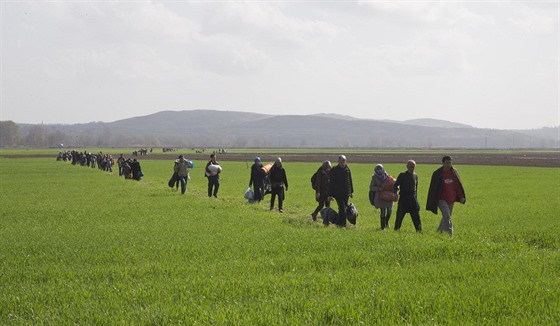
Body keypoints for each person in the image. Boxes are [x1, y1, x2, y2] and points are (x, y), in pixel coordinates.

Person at [426, 155, 466, 236]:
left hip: (451, 199)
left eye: (450, 163)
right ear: (443, 163)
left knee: (446, 217)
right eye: (447, 163)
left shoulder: (454, 172)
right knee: (447, 216)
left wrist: (461, 196)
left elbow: (458, 185)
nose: (449, 164)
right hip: (441, 199)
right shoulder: (437, 173)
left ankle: (438, 232)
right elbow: (433, 188)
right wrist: (433, 200)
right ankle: (449, 234)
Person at [393, 160, 422, 232]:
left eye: (413, 167)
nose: (412, 168)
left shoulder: (415, 176)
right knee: (399, 216)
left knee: (416, 216)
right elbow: (395, 185)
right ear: (407, 167)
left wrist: (416, 198)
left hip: (413, 198)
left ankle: (419, 231)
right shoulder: (402, 175)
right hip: (403, 198)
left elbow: (416, 188)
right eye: (410, 167)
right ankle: (396, 230)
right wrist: (395, 193)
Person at [328, 155, 354, 227]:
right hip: (337, 193)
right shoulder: (334, 170)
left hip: (346, 193)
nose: (343, 162)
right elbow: (331, 183)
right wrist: (330, 194)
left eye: (344, 161)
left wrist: (351, 191)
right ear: (338, 161)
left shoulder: (347, 169)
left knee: (343, 208)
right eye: (342, 161)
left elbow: (350, 181)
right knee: (342, 208)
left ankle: (339, 223)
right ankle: (343, 224)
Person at [370, 164, 394, 230]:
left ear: (383, 169)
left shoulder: (388, 176)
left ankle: (386, 221)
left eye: (381, 169)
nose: (380, 171)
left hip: (389, 196)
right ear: (376, 170)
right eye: (378, 169)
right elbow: (371, 187)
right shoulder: (374, 177)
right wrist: (378, 188)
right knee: (383, 212)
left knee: (389, 211)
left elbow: (392, 184)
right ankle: (382, 227)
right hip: (380, 197)